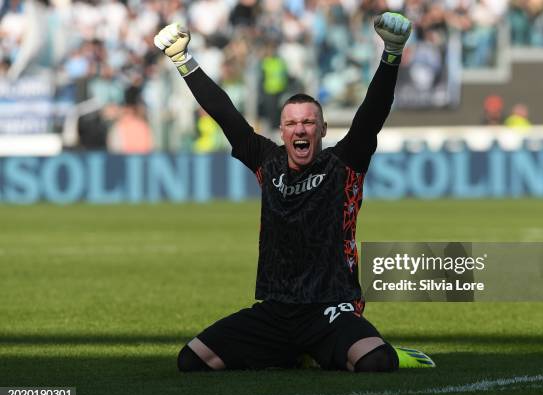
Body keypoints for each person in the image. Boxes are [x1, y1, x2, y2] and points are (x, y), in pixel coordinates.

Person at [154, 12, 435, 372]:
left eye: (307, 122)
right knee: (192, 361)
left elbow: (373, 112)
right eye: (291, 123)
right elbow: (225, 114)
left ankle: (391, 354)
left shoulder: (344, 164)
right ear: (282, 131)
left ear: (321, 129)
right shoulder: (266, 162)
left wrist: (392, 53)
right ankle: (299, 353)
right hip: (275, 310)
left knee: (377, 363)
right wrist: (182, 60)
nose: (299, 129)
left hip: (330, 306)